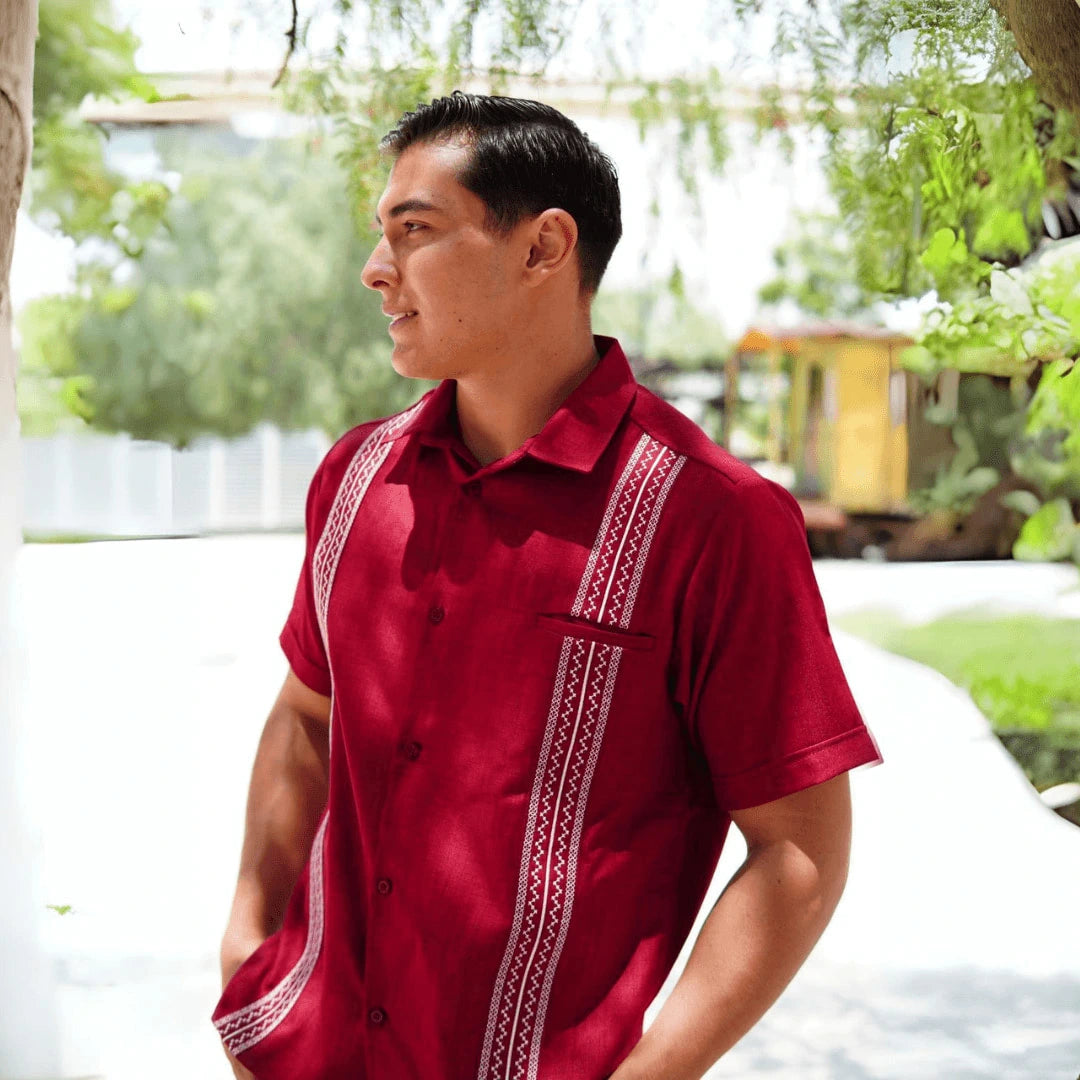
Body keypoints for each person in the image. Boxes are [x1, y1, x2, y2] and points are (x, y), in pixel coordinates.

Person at [213, 91, 882, 1080]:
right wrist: (250, 953)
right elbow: (306, 718)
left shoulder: (714, 520)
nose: (375, 270)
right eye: (380, 236)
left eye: (417, 231)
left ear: (543, 248)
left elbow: (799, 851)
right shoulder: (355, 480)